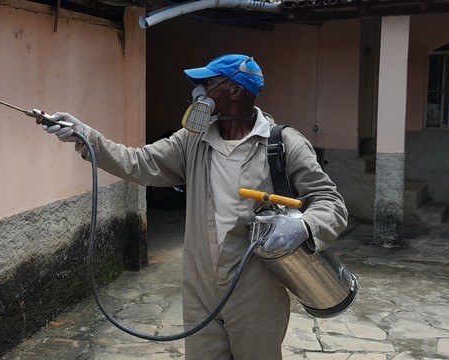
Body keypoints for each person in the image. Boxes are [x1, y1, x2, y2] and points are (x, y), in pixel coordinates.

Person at [42, 54, 348, 359]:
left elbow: (330, 202)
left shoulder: (282, 144)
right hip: (201, 287)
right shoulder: (192, 140)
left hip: (257, 287)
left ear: (235, 91)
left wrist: (305, 225)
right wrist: (86, 136)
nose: (198, 93)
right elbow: (138, 161)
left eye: (207, 83)